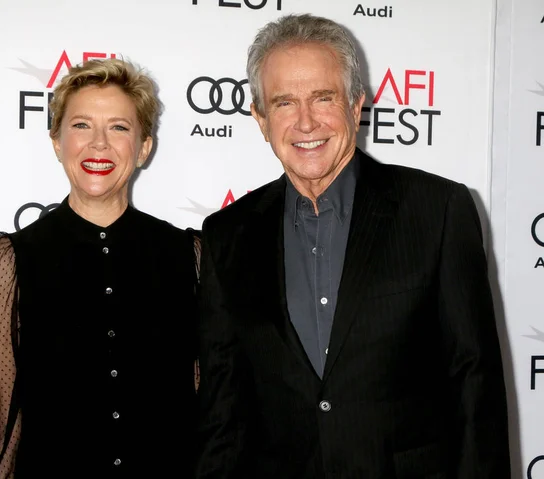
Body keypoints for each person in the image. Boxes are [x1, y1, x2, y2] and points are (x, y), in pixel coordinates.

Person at [195, 13, 511, 479]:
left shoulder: (438, 210)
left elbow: (475, 386)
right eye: (284, 103)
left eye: (323, 98)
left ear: (356, 103)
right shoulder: (227, 234)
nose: (305, 122)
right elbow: (222, 411)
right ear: (261, 119)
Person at [0, 58, 200, 478]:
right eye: (80, 126)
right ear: (56, 141)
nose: (99, 145)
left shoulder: (189, 255)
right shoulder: (11, 260)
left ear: (144, 146)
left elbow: (207, 401)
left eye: (118, 127)